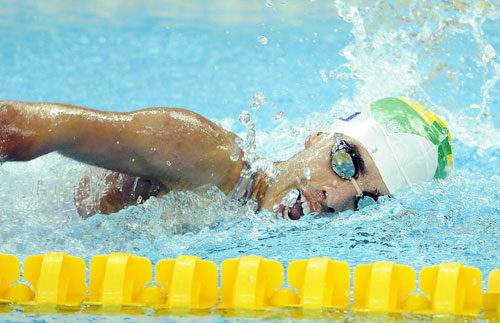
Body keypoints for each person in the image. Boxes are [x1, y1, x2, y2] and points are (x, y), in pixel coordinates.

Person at [0, 97, 453, 219]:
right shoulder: (199, 151)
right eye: (345, 161)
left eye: (367, 199)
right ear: (317, 136)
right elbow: (25, 128)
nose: (336, 197)